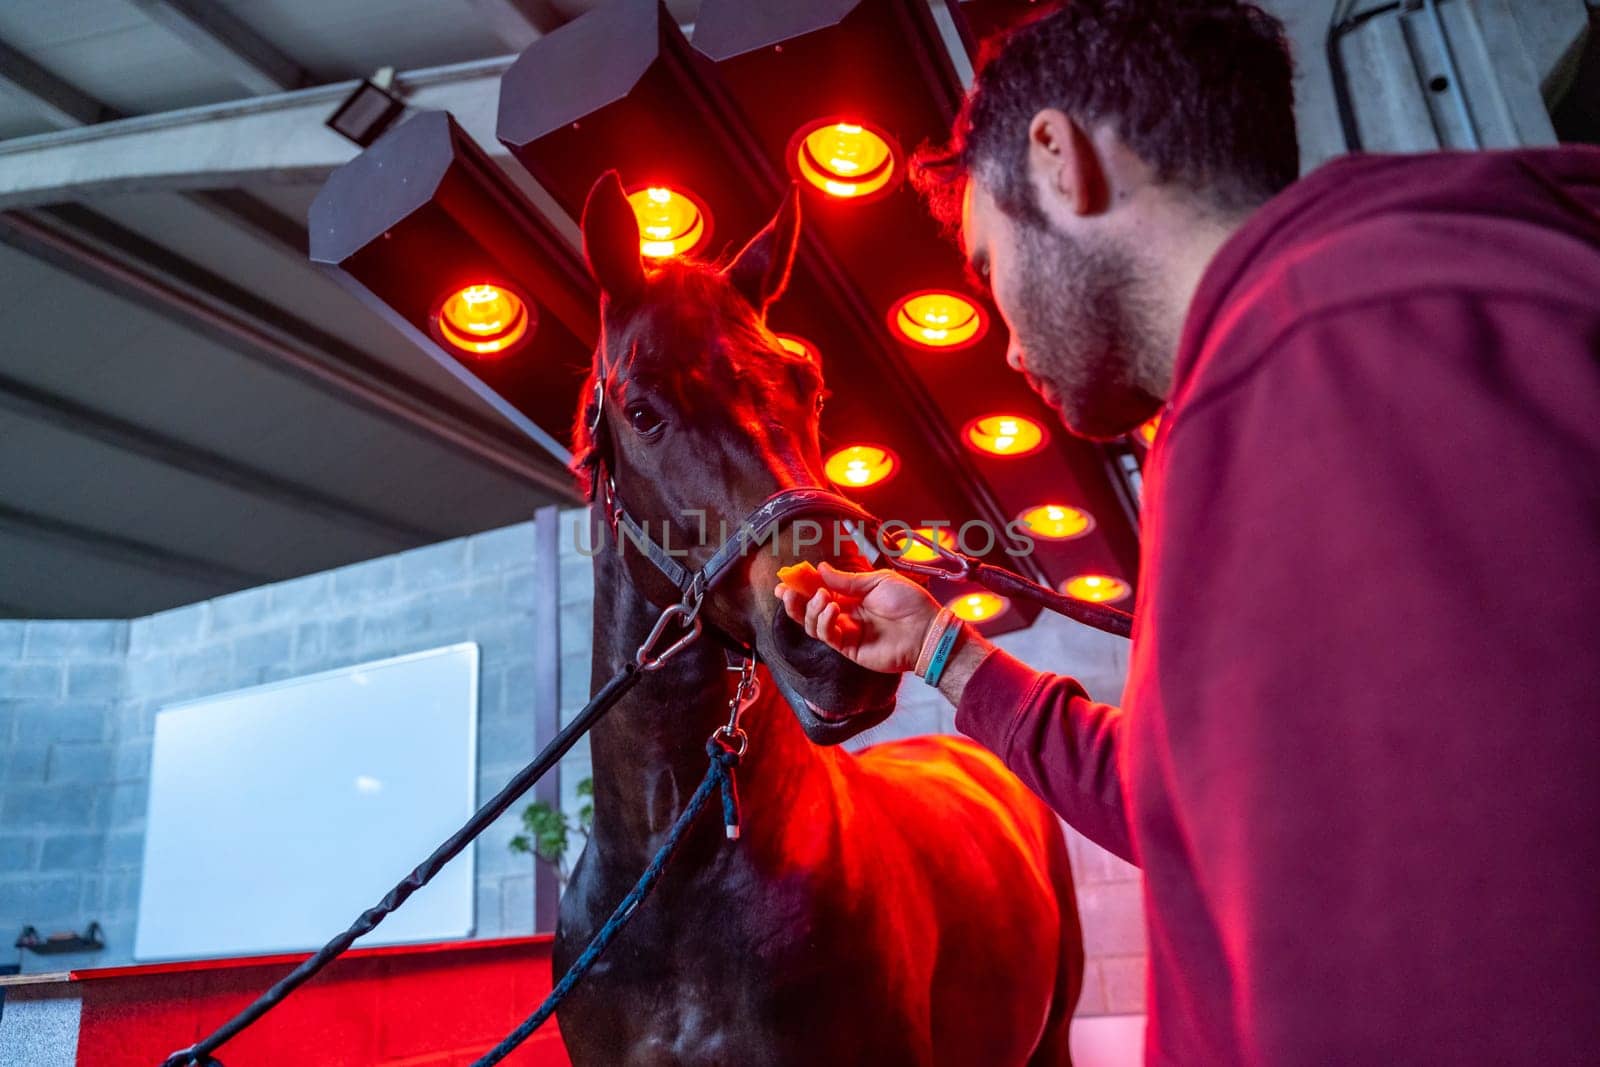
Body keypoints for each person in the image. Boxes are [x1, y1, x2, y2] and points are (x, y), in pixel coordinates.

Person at [774, 1, 1600, 1062]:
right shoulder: (1287, 370)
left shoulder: (1341, 343)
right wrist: (943, 652)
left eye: (987, 267)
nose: (1006, 337)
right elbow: (1200, 812)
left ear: (1059, 159)